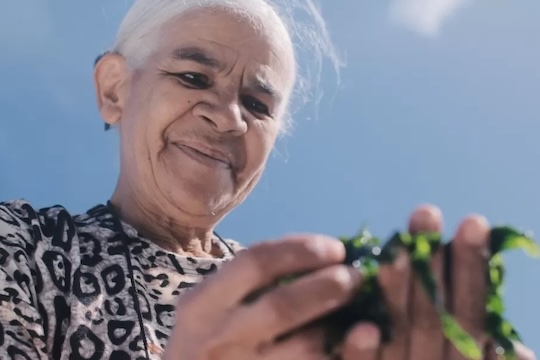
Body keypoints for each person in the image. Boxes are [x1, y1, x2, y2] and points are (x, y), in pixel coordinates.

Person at [0, 0, 535, 359]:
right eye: (192, 77)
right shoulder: (23, 246)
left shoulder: (315, 297)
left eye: (257, 104)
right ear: (115, 89)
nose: (229, 117)